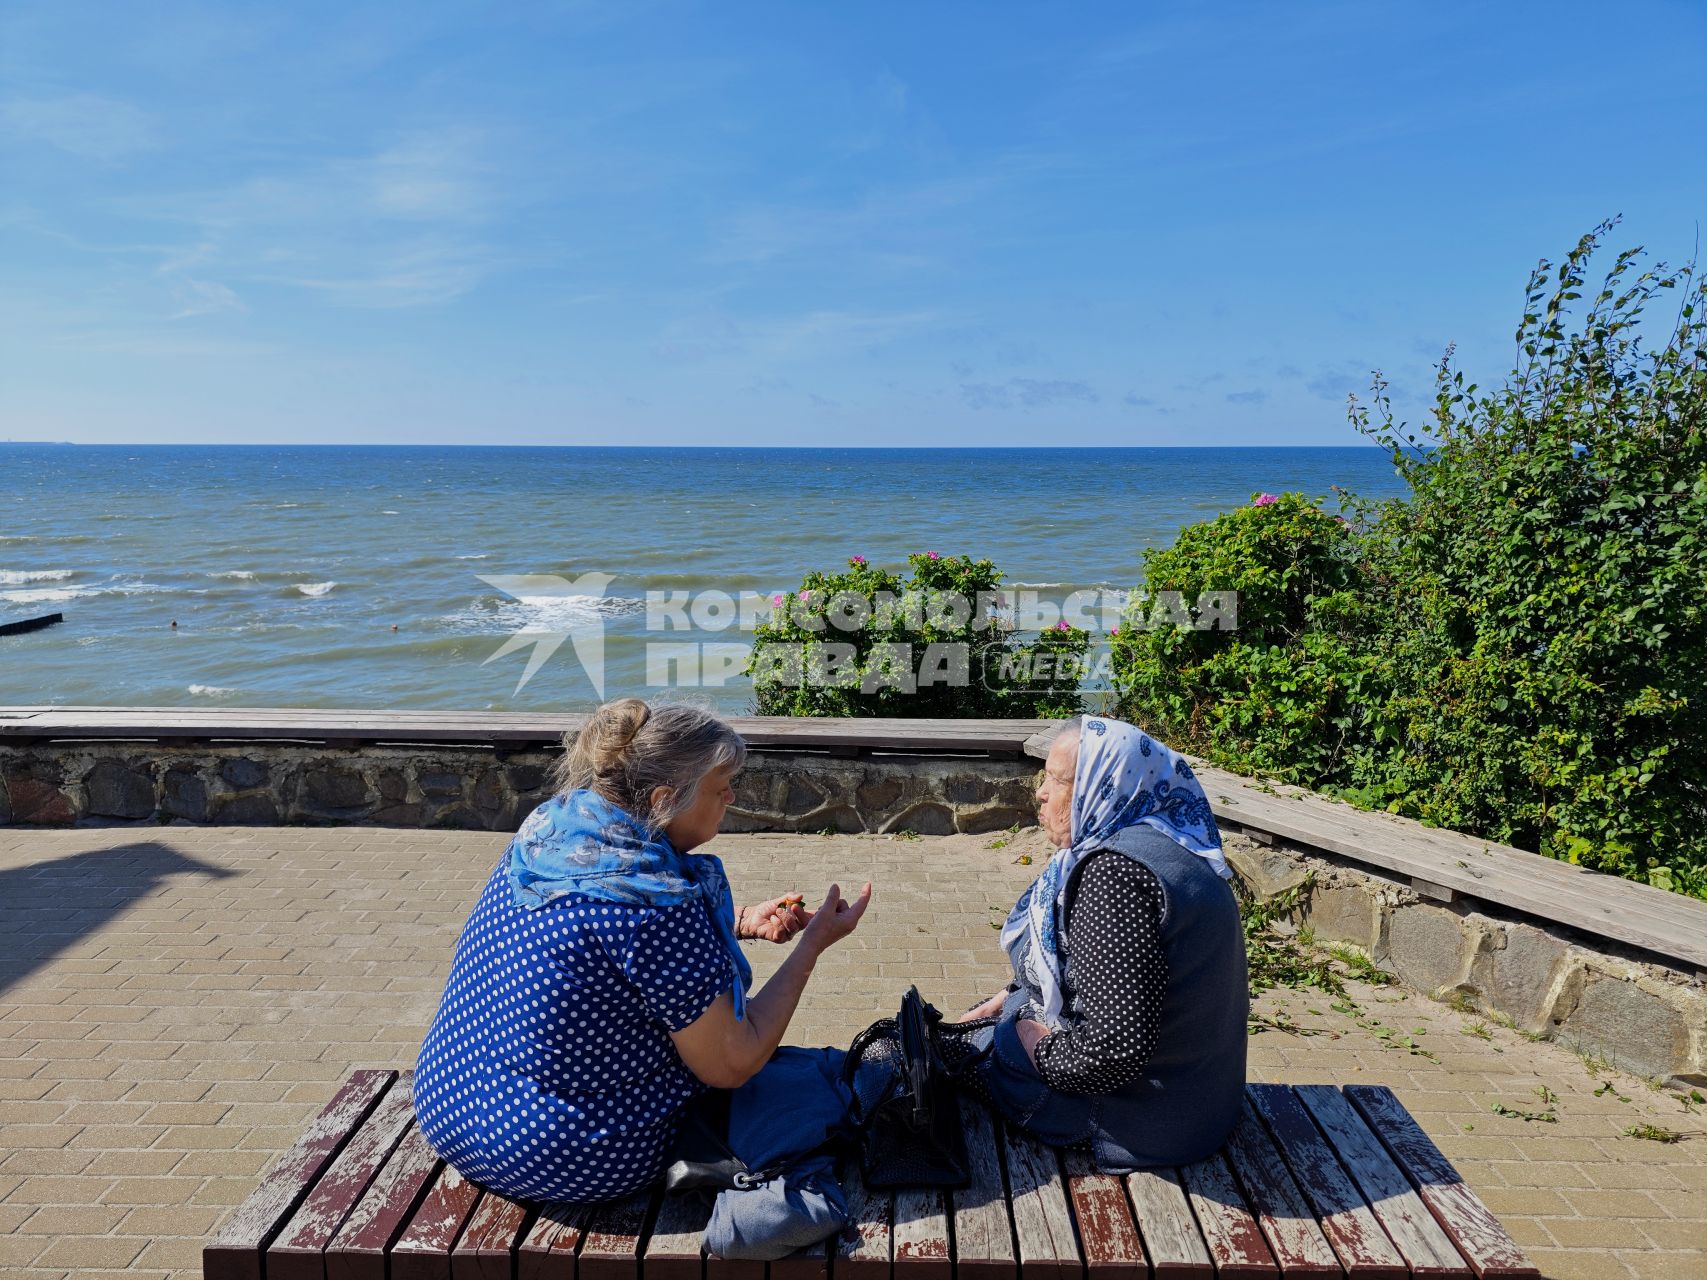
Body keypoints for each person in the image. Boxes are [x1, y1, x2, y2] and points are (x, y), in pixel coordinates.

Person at [413, 699, 871, 1204]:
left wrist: (735, 922)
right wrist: (811, 947)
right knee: (811, 1082)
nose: (731, 797)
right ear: (662, 799)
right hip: (564, 1157)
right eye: (720, 790)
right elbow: (732, 1063)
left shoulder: (554, 830)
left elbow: (607, 951)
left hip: (450, 1106)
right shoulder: (653, 905)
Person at [959, 714, 1247, 1169]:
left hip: (1143, 1125)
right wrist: (1015, 994)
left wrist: (1031, 1041)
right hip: (1204, 1104)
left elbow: (1112, 1050)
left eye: (1059, 780)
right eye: (1045, 776)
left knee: (953, 1053)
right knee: (992, 1017)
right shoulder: (1174, 838)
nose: (1041, 792)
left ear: (1105, 784)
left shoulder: (1113, 878)